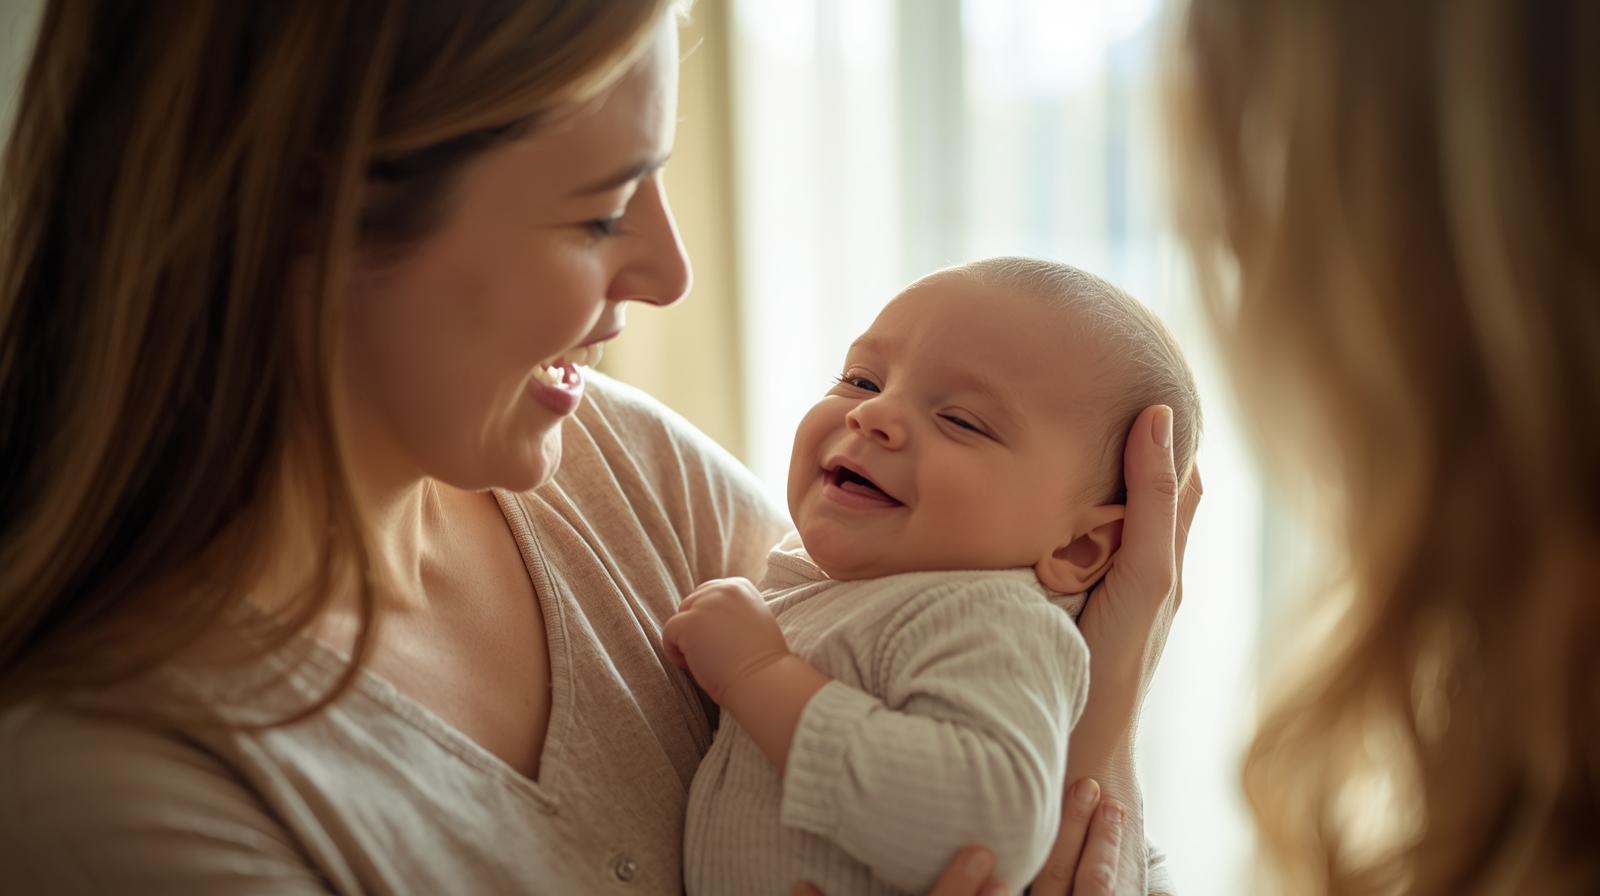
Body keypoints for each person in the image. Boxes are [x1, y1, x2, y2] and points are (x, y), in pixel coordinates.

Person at [0, 2, 1192, 893]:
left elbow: (997, 782)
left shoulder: (628, 480)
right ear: (303, 206)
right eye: (600, 209)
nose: (670, 273)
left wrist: (1105, 694)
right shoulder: (114, 798)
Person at [667, 258, 1199, 894]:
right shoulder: (850, 582)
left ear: (1082, 548)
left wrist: (759, 676)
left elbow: (988, 826)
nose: (873, 415)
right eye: (861, 380)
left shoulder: (992, 619)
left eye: (960, 419)